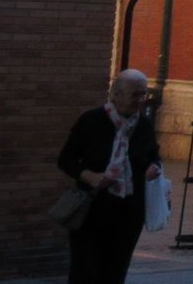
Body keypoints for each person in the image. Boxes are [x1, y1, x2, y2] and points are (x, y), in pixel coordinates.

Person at [57, 68, 163, 284]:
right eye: (135, 94)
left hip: (129, 211)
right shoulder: (91, 121)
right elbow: (66, 160)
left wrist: (154, 168)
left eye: (143, 94)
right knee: (85, 271)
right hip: (92, 209)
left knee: (115, 272)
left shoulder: (143, 126)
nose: (140, 100)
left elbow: (154, 156)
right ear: (116, 94)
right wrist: (90, 177)